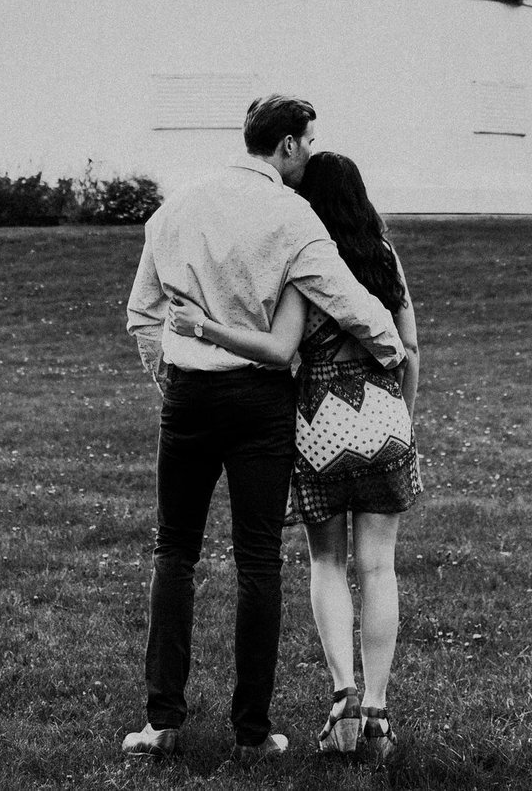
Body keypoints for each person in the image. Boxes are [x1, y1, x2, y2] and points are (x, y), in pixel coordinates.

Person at [120, 96, 405, 764]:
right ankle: (252, 728)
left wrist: (172, 382)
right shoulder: (291, 215)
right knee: (257, 560)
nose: (308, 152)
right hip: (259, 404)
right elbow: (344, 296)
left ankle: (161, 722)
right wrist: (389, 344)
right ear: (285, 147)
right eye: (306, 142)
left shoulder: (178, 206)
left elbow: (142, 314)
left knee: (175, 553)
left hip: (189, 396)